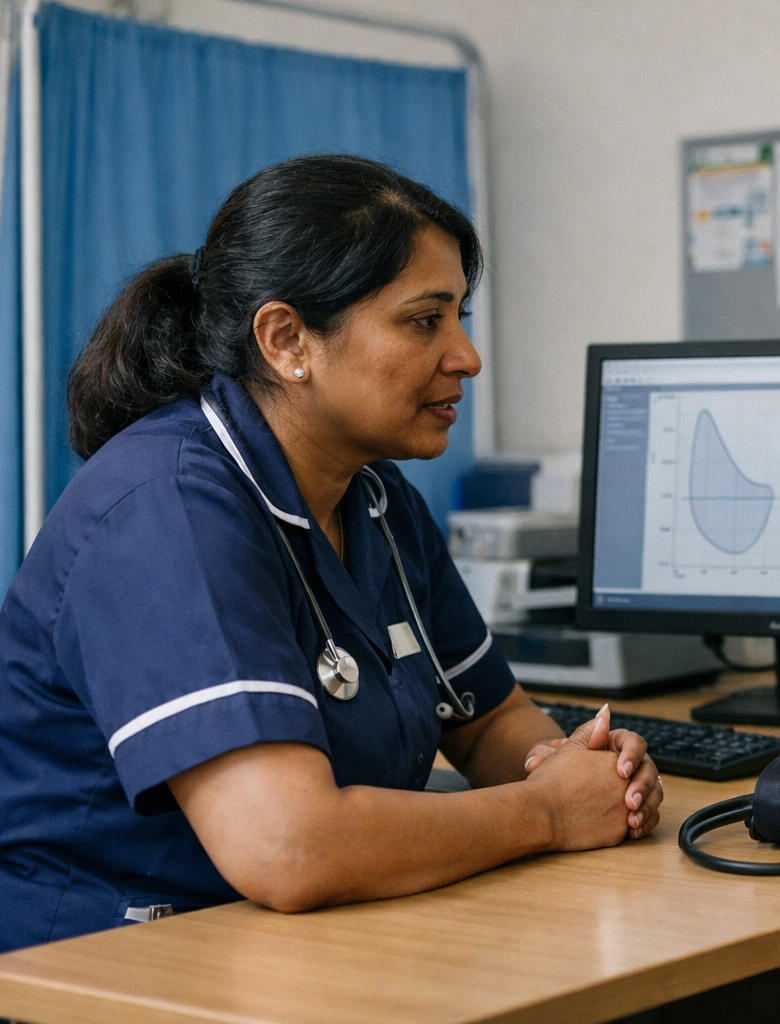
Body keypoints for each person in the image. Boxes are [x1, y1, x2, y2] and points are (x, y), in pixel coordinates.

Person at [0, 155, 662, 952]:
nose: (465, 357)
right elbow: (289, 846)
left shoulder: (376, 499)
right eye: (425, 321)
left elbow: (488, 725)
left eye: (461, 318)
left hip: (298, 936)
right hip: (113, 955)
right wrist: (549, 812)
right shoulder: (165, 508)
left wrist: (591, 768)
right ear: (287, 340)